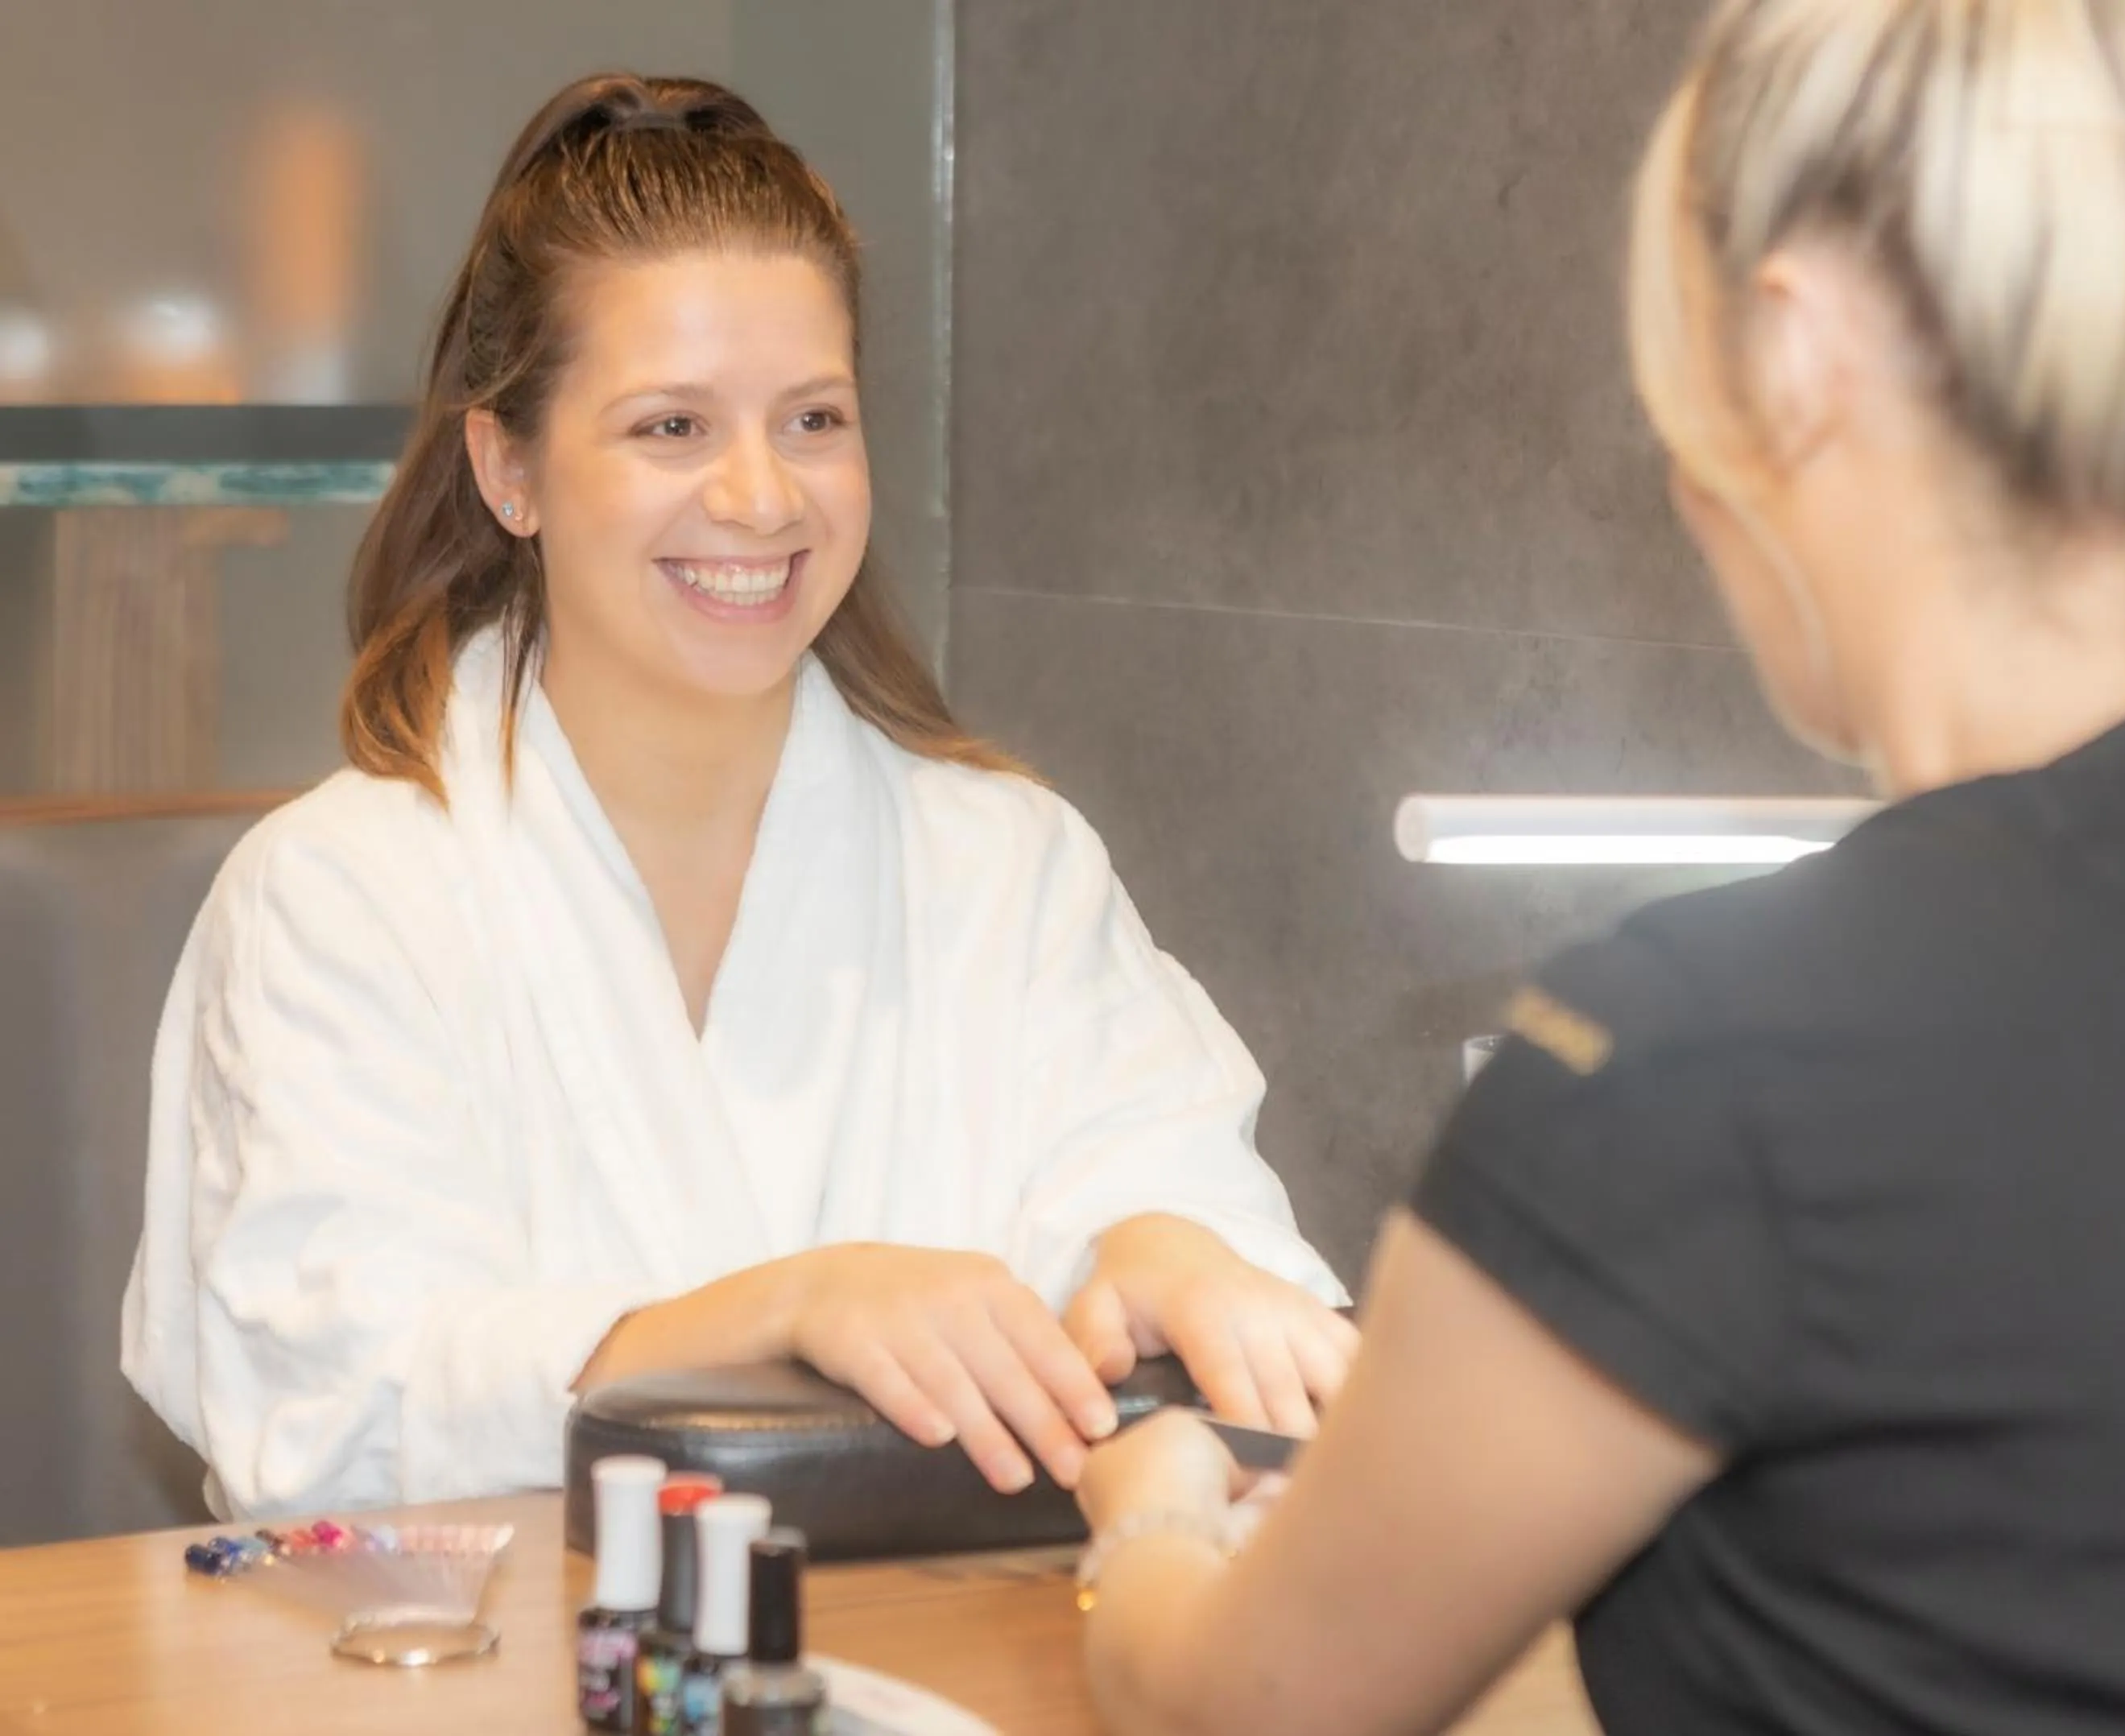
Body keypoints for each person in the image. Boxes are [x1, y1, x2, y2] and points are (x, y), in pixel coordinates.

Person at [1076, 2, 2125, 1730]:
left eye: (1674, 386)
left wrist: (1157, 1523)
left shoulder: (1697, 1058)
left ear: (1793, 355)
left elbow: (1245, 1712)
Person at [122, 73, 1354, 1522]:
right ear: (508, 466)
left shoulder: (1003, 865)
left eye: (814, 419)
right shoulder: (341, 895)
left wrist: (1172, 1254)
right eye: (671, 428)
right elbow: (332, 1406)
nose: (764, 499)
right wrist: (785, 1307)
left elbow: (1161, 1180)